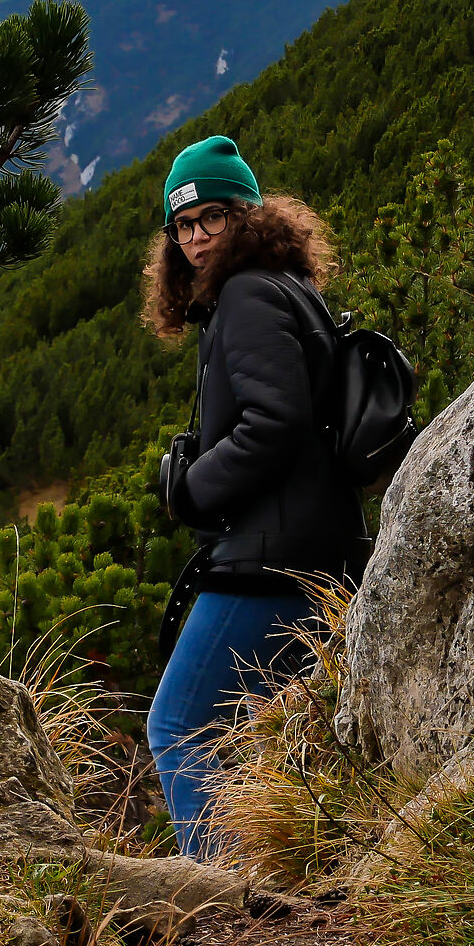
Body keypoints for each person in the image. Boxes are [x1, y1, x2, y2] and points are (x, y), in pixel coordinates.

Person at [142, 134, 367, 858]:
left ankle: (220, 897)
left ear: (245, 212)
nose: (197, 237)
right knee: (274, 739)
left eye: (211, 216)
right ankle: (285, 877)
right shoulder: (289, 287)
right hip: (319, 550)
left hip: (271, 559)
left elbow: (276, 423)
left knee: (177, 725)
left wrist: (190, 490)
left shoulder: (244, 294)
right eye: (183, 225)